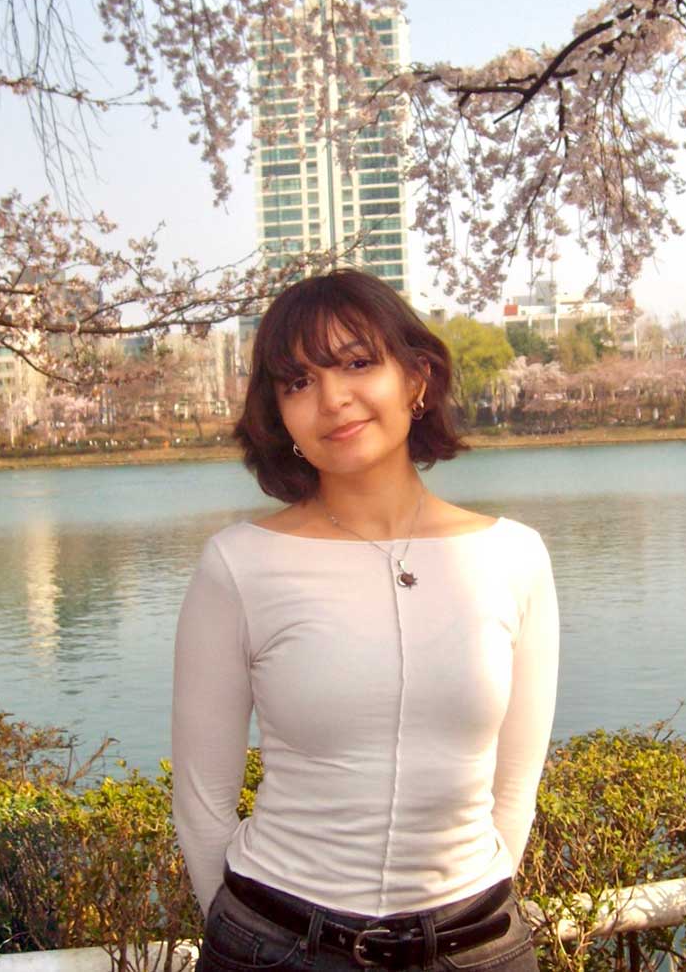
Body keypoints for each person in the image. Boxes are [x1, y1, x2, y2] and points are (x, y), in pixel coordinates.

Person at [172, 269, 560, 972]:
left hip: (478, 945)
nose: (332, 399)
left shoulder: (515, 556)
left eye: (357, 362)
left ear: (417, 378)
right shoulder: (239, 565)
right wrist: (250, 945)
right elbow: (202, 804)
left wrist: (464, 920)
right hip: (279, 940)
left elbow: (514, 788)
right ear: (279, 414)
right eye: (297, 381)